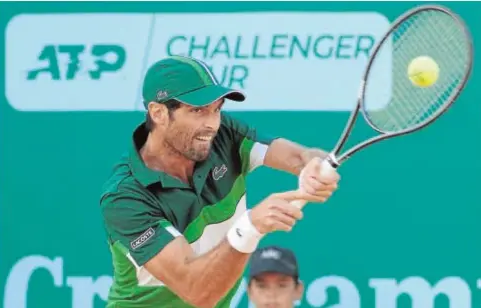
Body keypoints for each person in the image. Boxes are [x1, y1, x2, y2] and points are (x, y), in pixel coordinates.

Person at [100, 55, 340, 308]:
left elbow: (298, 156)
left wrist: (312, 165)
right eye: (197, 110)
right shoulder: (125, 198)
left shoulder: (224, 135)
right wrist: (250, 226)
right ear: (158, 113)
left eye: (217, 109)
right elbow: (198, 291)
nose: (212, 123)